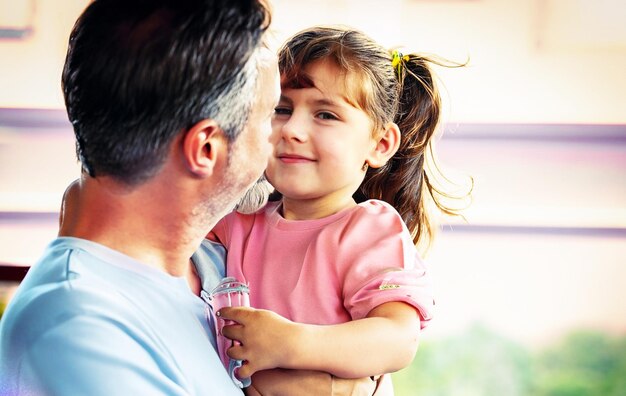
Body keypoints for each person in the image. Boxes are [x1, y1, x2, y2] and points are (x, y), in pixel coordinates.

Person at [0, 0, 279, 394]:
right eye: (271, 114)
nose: (279, 138)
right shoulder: (77, 325)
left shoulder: (209, 268)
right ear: (205, 149)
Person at [209, 26, 470, 395]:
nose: (292, 130)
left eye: (326, 115)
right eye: (281, 109)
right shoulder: (237, 221)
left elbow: (396, 339)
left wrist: (289, 343)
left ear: (379, 144)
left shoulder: (369, 229)